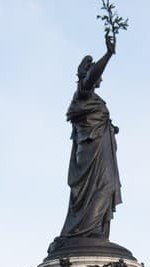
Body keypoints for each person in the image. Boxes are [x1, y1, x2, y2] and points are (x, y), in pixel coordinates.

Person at [50, 31, 121, 249]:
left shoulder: (94, 99)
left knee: (107, 187)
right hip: (91, 154)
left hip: (100, 150)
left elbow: (95, 120)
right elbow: (90, 78)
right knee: (102, 187)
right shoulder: (83, 93)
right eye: (93, 72)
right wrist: (108, 54)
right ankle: (85, 231)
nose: (99, 77)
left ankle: (95, 230)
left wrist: (110, 128)